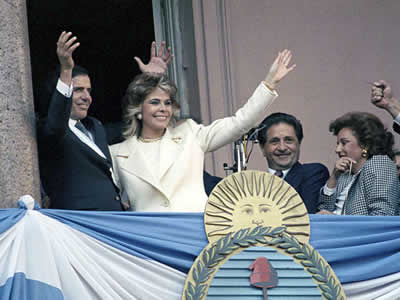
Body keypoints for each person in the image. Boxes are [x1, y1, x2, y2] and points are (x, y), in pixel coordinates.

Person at [111, 50, 296, 212]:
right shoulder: (118, 154)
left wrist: (270, 83)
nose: (163, 108)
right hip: (150, 244)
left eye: (167, 103)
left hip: (196, 238)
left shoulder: (190, 134)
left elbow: (239, 123)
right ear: (138, 110)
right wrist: (149, 79)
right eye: (154, 102)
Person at [37, 31, 172, 210]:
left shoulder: (95, 127)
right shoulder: (49, 129)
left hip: (111, 222)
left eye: (89, 91)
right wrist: (66, 70)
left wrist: (151, 82)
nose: (87, 97)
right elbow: (55, 126)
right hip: (81, 226)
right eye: (78, 90)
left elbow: (137, 122)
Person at [318, 112, 399, 216]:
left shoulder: (379, 164)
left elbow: (382, 215)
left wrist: (337, 221)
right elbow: (323, 209)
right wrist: (333, 177)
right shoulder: (344, 176)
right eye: (337, 144)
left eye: (344, 142)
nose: (337, 149)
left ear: (365, 144)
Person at [257, 113, 329, 213]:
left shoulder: (313, 173)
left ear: (299, 144)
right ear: (262, 148)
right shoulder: (255, 186)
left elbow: (304, 215)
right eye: (275, 141)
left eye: (289, 140)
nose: (282, 148)